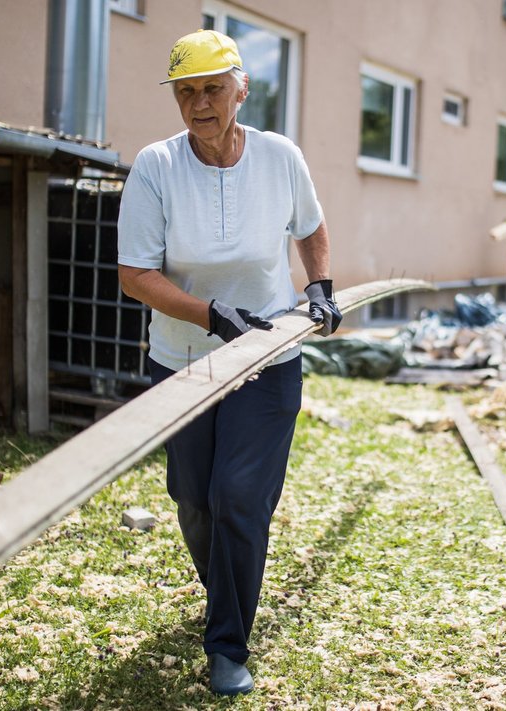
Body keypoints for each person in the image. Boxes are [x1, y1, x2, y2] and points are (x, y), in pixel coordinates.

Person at [116, 29, 341, 697]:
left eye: (213, 88)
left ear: (241, 89)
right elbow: (135, 274)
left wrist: (320, 282)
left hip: (268, 357)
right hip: (184, 360)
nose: (200, 103)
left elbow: (311, 227)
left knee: (238, 497)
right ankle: (229, 593)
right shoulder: (156, 166)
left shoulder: (278, 157)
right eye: (187, 92)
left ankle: (227, 645)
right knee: (193, 501)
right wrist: (210, 314)